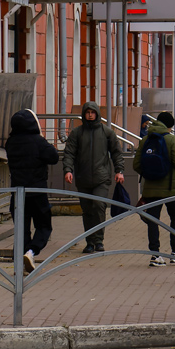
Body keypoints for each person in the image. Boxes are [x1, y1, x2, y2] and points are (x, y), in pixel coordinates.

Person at [62, 102, 125, 253]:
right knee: (87, 210)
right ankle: (89, 241)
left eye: (92, 112)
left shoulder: (106, 132)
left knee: (98, 205)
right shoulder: (77, 133)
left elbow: (116, 153)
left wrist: (119, 170)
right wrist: (68, 170)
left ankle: (99, 240)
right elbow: (69, 153)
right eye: (87, 112)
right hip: (83, 178)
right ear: (84, 114)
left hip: (101, 178)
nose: (90, 115)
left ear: (97, 113)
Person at [5, 109, 60, 273]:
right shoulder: (38, 142)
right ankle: (31, 252)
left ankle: (19, 265)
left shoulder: (10, 143)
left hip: (17, 193)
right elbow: (54, 157)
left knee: (21, 229)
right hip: (37, 192)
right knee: (44, 227)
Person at [135, 110, 175, 266]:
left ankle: (155, 255)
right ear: (170, 126)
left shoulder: (145, 139)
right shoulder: (171, 140)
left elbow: (136, 164)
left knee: (153, 220)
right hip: (171, 187)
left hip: (150, 188)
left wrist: (150, 173)